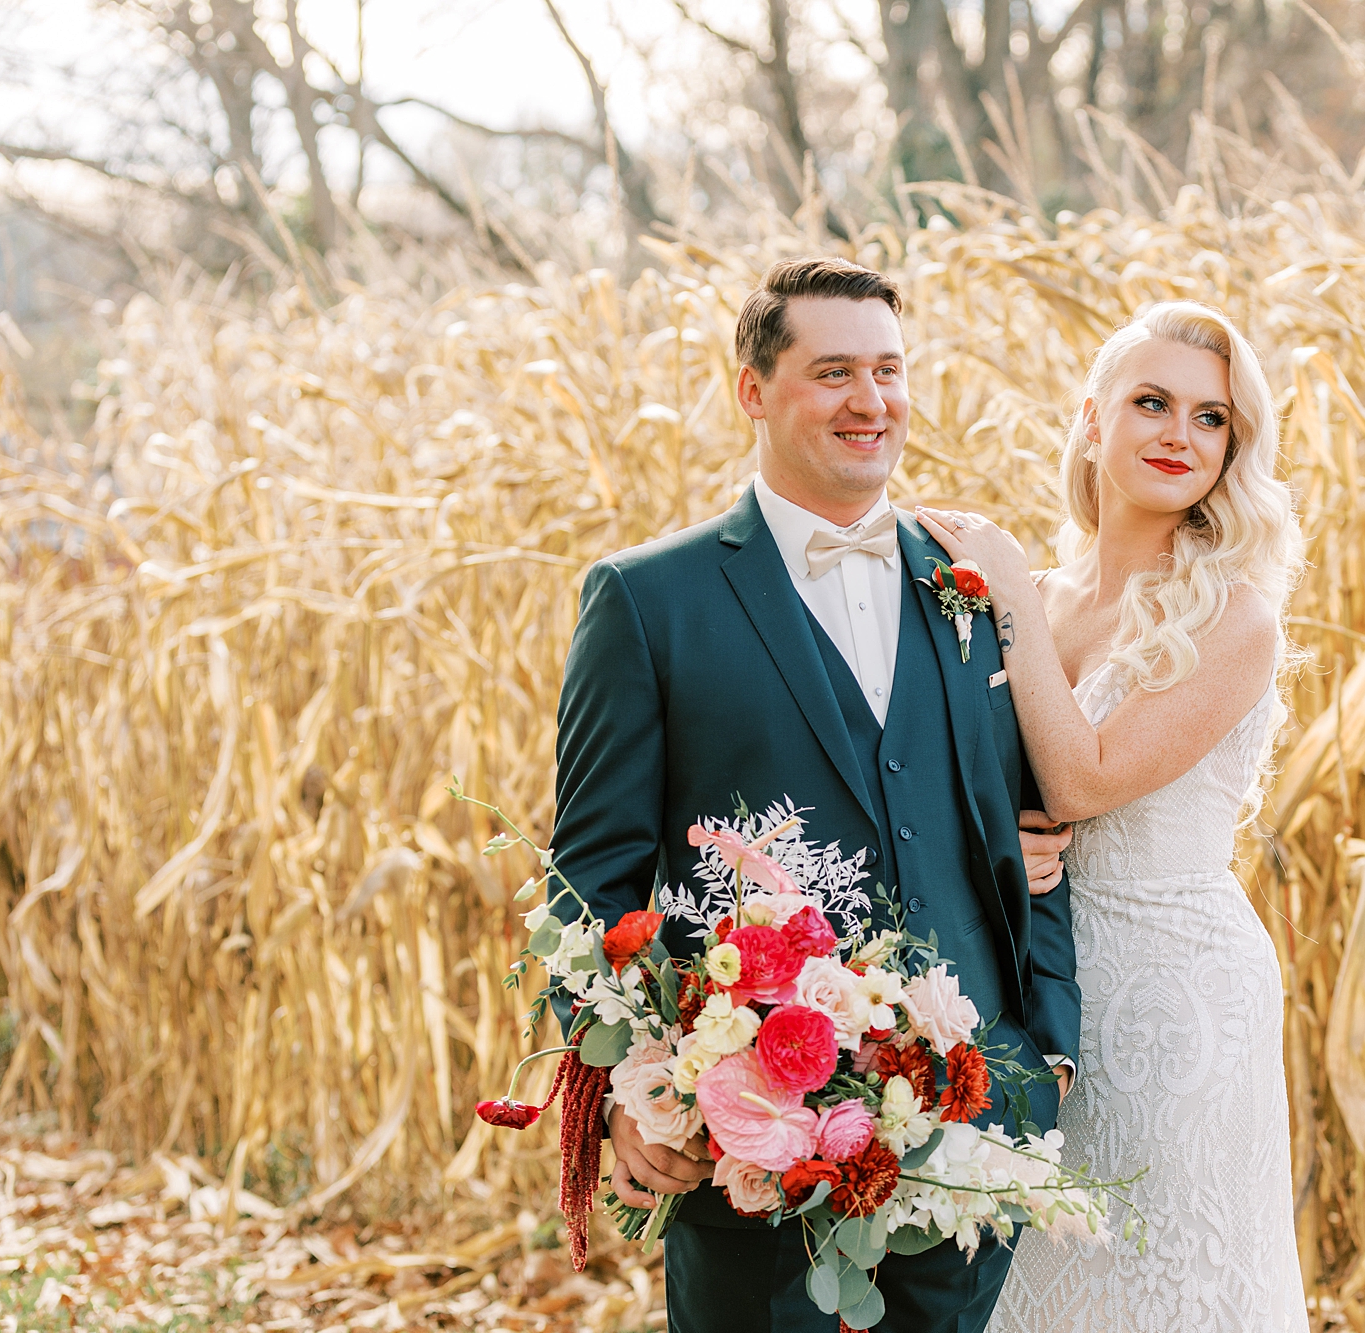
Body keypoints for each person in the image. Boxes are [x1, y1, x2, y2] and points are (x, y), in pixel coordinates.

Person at [549, 256, 1081, 1333]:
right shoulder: (648, 601)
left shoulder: (974, 584)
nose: (870, 401)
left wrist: (1049, 1053)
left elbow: (1040, 828)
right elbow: (587, 880)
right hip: (750, 1133)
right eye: (832, 371)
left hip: (971, 1121)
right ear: (751, 388)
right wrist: (628, 1088)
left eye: (887, 370)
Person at [919, 300, 1312, 1332]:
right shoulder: (1038, 599)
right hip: (1034, 985)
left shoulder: (1232, 616)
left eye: (1209, 417)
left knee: (1162, 1277)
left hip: (1178, 998)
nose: (1178, 434)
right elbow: (975, 789)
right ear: (1092, 419)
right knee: (1039, 1279)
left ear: (1234, 447)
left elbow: (1085, 779)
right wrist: (1003, 840)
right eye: (1150, 402)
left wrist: (999, 583)